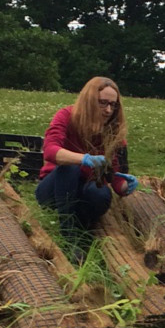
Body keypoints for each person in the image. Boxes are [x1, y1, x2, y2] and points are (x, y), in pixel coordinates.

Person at [36, 76, 139, 256]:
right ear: (90, 101)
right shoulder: (66, 116)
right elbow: (51, 151)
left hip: (85, 191)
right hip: (54, 190)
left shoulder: (114, 134)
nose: (108, 110)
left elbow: (115, 177)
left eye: (113, 105)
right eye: (102, 103)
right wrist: (82, 158)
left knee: (100, 192)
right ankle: (69, 235)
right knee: (70, 167)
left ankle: (82, 225)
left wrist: (125, 185)